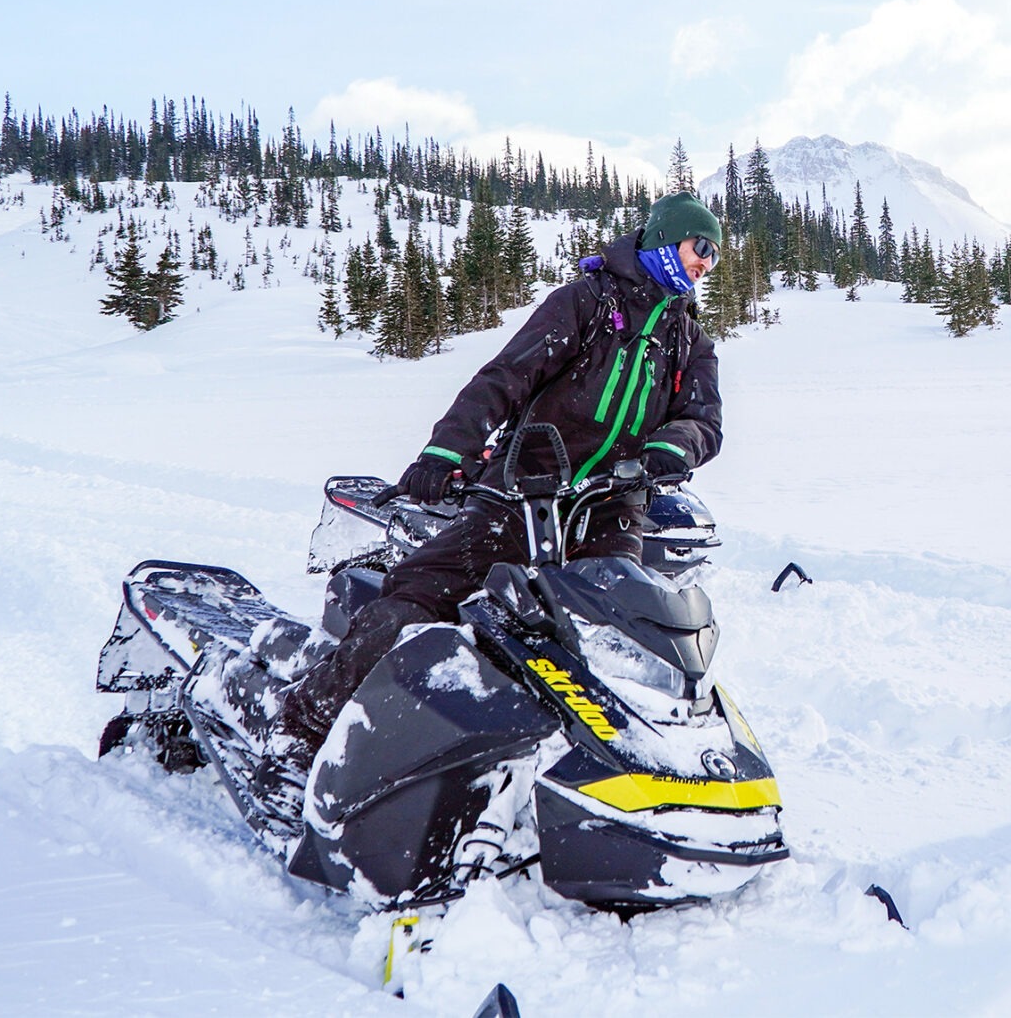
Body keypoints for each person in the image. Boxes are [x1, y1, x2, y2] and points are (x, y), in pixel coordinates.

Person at [278, 192, 726, 758]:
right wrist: (445, 453)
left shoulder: (689, 340)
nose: (707, 263)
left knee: (609, 644)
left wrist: (672, 445)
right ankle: (302, 726)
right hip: (525, 490)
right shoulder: (586, 303)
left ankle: (592, 770)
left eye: (715, 255)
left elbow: (704, 422)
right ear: (666, 238)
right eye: (700, 247)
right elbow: (505, 379)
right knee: (418, 598)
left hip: (612, 510)